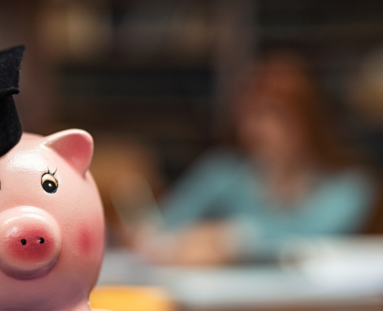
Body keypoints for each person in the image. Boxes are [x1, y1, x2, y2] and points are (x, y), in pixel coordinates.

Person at [138, 53, 376, 266]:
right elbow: (165, 225)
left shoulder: (349, 187)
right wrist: (159, 239)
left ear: (306, 119)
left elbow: (312, 235)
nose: (256, 128)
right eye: (248, 115)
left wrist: (232, 239)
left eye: (272, 114)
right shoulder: (222, 172)